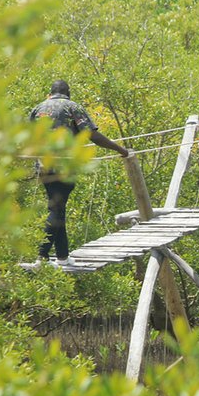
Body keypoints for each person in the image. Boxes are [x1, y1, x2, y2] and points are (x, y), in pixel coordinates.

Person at [24, 80, 128, 268]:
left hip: (43, 166)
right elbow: (92, 136)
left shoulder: (38, 109)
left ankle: (63, 256)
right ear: (68, 93)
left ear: (50, 93)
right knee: (56, 210)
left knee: (58, 208)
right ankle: (41, 257)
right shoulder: (72, 107)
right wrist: (121, 150)